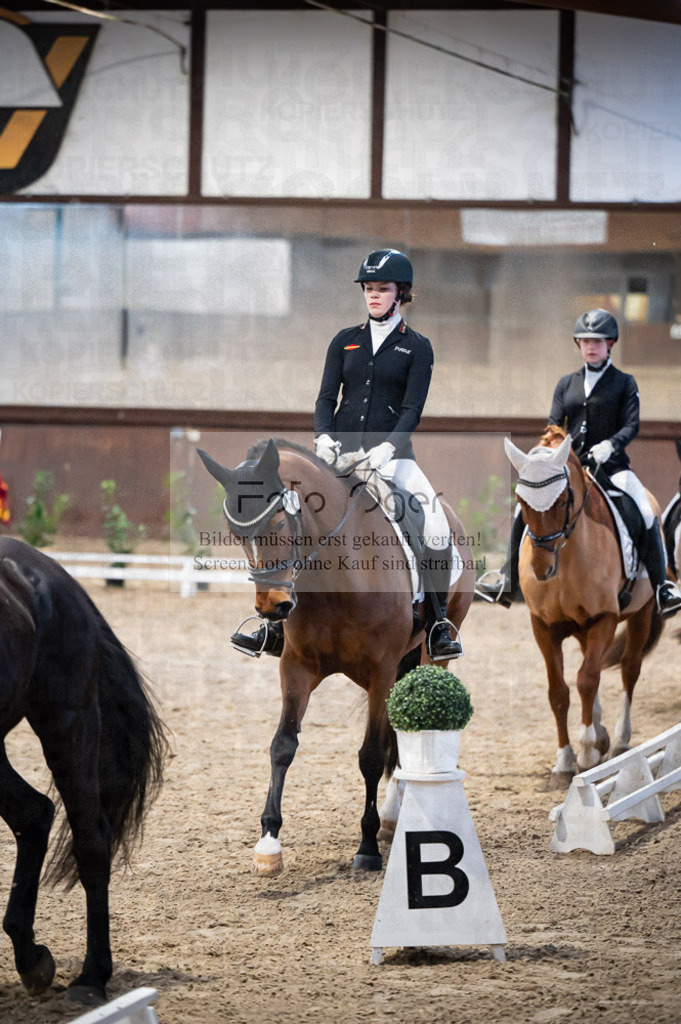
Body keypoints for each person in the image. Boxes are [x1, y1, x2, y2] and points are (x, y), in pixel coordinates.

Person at [232, 248, 463, 660]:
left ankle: (440, 622)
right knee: (293, 518)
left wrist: (388, 448)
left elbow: (412, 410)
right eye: (369, 289)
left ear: (400, 293)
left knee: (433, 525)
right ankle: (274, 627)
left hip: (393, 459)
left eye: (383, 289)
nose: (374, 296)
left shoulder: (418, 347)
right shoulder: (345, 341)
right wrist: (323, 438)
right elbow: (326, 397)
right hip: (337, 456)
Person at [478, 308, 681, 618]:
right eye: (585, 341)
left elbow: (631, 425)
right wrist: (546, 451)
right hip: (567, 468)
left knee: (643, 508)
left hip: (611, 467)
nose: (590, 346)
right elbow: (553, 424)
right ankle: (508, 578)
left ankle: (662, 587)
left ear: (610, 343)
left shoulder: (624, 383)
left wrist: (611, 445)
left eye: (597, 341)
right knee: (525, 505)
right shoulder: (566, 384)